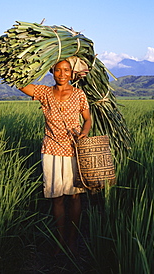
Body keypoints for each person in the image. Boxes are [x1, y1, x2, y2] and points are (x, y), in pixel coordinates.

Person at [19, 59, 91, 256]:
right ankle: (60, 240)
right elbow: (20, 84)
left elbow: (87, 119)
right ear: (51, 71)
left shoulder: (78, 94)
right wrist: (27, 64)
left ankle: (73, 239)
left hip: (73, 149)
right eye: (57, 70)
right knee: (56, 197)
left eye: (66, 70)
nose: (62, 73)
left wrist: (84, 133)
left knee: (75, 196)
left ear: (72, 73)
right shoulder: (44, 93)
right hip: (50, 149)